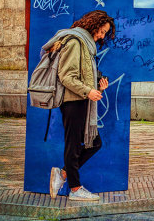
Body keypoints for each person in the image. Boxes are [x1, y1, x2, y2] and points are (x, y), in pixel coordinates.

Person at [47, 10, 115, 201]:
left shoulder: (86, 44)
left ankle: (63, 174)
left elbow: (84, 73)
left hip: (82, 101)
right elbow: (66, 76)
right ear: (93, 24)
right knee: (73, 145)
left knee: (94, 143)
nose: (102, 36)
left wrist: (99, 82)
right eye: (101, 31)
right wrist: (88, 91)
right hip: (72, 101)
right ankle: (75, 189)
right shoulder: (75, 42)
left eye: (104, 33)